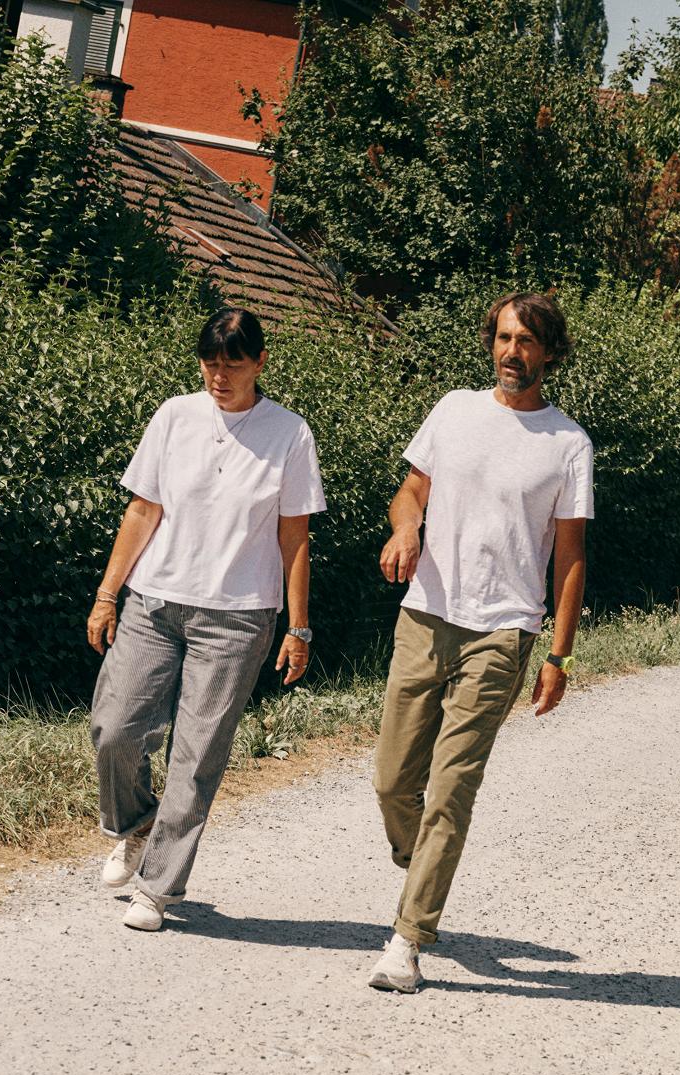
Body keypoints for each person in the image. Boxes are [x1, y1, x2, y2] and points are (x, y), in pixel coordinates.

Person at [366, 291, 593, 992]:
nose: (511, 352)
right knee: (393, 780)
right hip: (427, 613)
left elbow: (570, 557)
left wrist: (558, 654)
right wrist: (407, 527)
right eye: (503, 337)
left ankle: (408, 937)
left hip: (503, 630)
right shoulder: (454, 409)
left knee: (452, 788)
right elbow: (411, 490)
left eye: (526, 341)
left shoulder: (567, 444)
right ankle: (422, 855)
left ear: (549, 353)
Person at [86, 307, 326, 932]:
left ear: (260, 363)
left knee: (196, 756)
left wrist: (299, 628)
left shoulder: (290, 434)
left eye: (233, 364)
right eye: (210, 363)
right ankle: (135, 824)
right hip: (154, 601)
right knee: (114, 726)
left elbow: (293, 536)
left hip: (239, 617)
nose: (219, 376)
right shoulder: (174, 415)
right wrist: (108, 593)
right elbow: (143, 510)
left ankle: (158, 888)